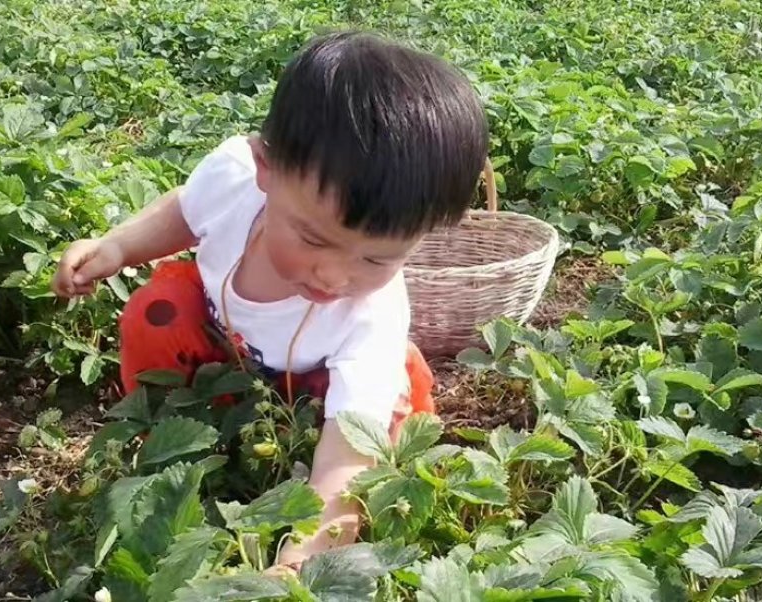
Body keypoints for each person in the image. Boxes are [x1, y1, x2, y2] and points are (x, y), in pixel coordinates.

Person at [51, 31, 488, 571]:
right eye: (312, 238)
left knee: (392, 415)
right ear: (265, 169)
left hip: (317, 384)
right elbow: (185, 213)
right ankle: (167, 440)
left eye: (377, 260)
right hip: (225, 351)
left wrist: (304, 556)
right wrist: (116, 245)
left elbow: (348, 453)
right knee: (157, 309)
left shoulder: (370, 317)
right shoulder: (234, 177)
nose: (333, 275)